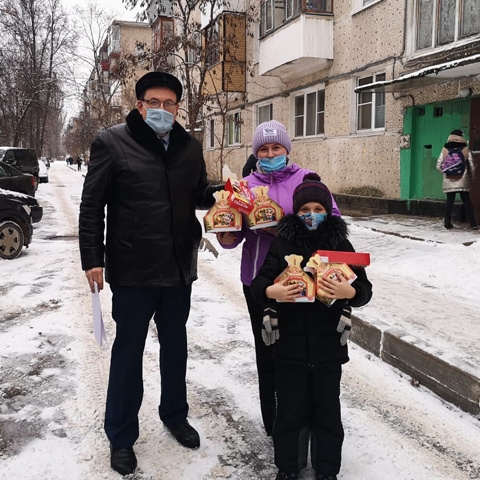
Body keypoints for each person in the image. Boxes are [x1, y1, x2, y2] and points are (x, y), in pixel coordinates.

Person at [79, 71, 222, 476]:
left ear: (178, 107)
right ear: (140, 104)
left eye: (170, 104)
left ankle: (175, 414)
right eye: (154, 102)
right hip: (133, 269)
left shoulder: (189, 146)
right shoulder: (112, 142)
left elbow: (195, 193)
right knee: (129, 353)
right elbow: (92, 206)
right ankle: (121, 436)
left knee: (176, 347)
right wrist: (93, 257)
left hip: (178, 268)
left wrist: (223, 195)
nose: (162, 110)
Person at [216, 120, 341, 437]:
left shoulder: (308, 181)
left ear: (287, 149)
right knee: (268, 352)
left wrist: (280, 227)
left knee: (305, 350)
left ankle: (309, 420)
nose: (270, 153)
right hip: (261, 282)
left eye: (276, 147)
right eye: (263, 149)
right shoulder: (242, 188)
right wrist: (227, 229)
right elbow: (232, 240)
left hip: (305, 280)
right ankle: (275, 422)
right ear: (256, 153)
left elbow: (333, 223)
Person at [250, 173, 373, 480]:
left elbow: (365, 288)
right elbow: (259, 282)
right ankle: (288, 468)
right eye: (305, 210)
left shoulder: (340, 244)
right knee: (290, 412)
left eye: (318, 209)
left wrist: (351, 292)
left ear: (328, 210)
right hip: (288, 347)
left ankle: (327, 470)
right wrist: (271, 292)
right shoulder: (282, 243)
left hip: (328, 347)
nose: (312, 215)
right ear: (296, 211)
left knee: (327, 412)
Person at [436, 129, 477, 230]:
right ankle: (473, 224)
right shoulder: (465, 148)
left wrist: (447, 173)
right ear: (461, 136)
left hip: (449, 179)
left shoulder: (445, 148)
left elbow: (438, 165)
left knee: (449, 201)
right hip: (463, 178)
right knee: (467, 201)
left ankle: (447, 223)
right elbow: (471, 165)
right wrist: (472, 176)